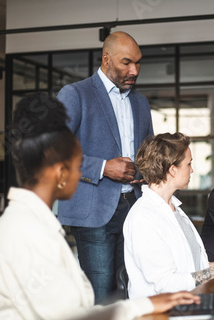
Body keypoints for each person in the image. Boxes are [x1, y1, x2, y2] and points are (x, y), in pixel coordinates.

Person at [0, 94, 199, 320]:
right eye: (77, 167)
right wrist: (143, 306)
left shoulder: (26, 221)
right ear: (61, 173)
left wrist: (144, 305)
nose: (81, 176)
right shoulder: (28, 232)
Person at [56, 31, 153, 303]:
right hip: (93, 209)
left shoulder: (140, 102)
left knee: (130, 289)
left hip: (134, 208)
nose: (134, 70)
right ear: (106, 59)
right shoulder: (75, 94)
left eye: (138, 62)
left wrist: (145, 169)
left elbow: (148, 150)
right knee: (100, 293)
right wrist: (102, 168)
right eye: (126, 63)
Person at [124, 132, 214, 299]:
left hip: (190, 303)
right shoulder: (144, 218)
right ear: (172, 170)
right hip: (160, 317)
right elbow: (168, 284)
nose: (192, 170)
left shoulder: (174, 210)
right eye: (188, 164)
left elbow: (195, 268)